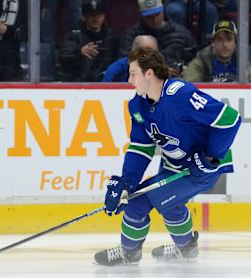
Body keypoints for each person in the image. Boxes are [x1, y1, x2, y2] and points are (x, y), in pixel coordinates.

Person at [93, 47, 241, 266]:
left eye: (133, 73)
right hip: (173, 165)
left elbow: (230, 119)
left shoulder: (179, 94)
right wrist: (126, 183)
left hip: (200, 168)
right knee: (170, 204)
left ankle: (129, 252)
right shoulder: (137, 105)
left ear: (149, 73)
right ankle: (186, 249)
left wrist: (210, 157)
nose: (128, 79)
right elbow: (141, 148)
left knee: (137, 204)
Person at [119, 0, 197, 77]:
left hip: (177, 79)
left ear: (163, 11)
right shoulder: (132, 35)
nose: (154, 20)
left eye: (157, 14)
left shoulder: (182, 33)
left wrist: (186, 68)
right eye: (149, 17)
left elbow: (194, 58)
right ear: (142, 15)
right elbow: (126, 62)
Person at [58, 0, 119, 82]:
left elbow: (118, 59)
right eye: (91, 15)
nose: (95, 18)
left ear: (104, 16)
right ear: (84, 17)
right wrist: (79, 52)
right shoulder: (74, 35)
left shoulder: (111, 36)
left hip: (105, 82)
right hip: (77, 83)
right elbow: (63, 57)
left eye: (99, 14)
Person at [181, 20, 251, 82]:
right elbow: (190, 86)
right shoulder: (202, 61)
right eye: (219, 40)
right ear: (213, 43)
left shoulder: (241, 61)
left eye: (229, 39)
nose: (225, 44)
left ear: (235, 43)